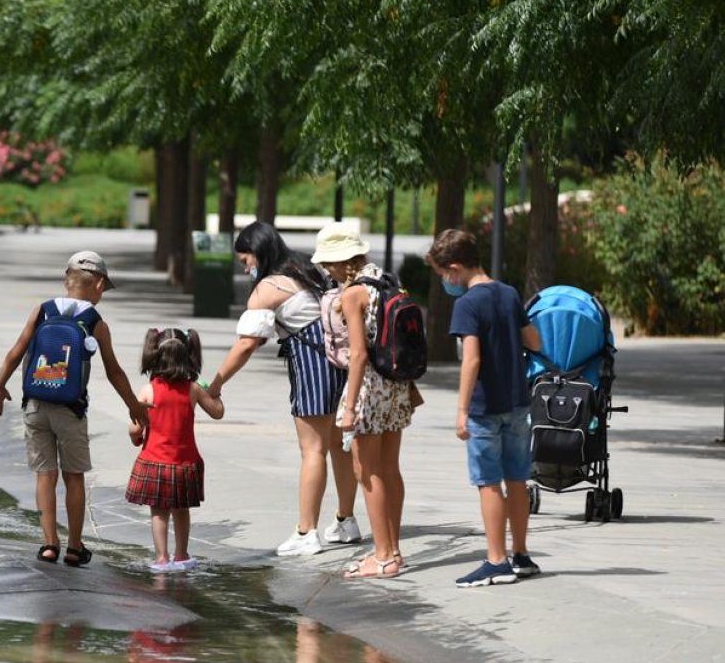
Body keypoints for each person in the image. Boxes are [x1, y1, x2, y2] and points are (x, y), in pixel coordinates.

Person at [206, 223, 361, 557]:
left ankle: (306, 532)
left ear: (259, 253)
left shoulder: (269, 286)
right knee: (339, 446)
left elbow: (247, 344)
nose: (244, 266)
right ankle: (346, 522)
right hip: (342, 364)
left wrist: (215, 384)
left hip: (312, 367)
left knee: (313, 450)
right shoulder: (308, 268)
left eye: (245, 259)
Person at [0, 251, 149, 566]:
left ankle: (49, 544)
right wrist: (135, 407)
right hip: (71, 410)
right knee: (73, 476)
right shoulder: (95, 322)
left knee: (44, 476)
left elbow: (16, 350)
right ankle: (75, 547)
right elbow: (114, 371)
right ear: (100, 284)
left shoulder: (43, 310)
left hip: (35, 404)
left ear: (66, 280)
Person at [425, 228, 543, 587]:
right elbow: (534, 340)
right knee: (517, 479)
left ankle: (496, 561)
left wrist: (461, 411)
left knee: (489, 482)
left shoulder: (467, 304)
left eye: (445, 275)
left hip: (484, 406)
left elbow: (471, 360)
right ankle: (521, 555)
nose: (446, 282)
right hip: (517, 402)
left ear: (456, 267)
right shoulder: (508, 293)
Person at [312, 226, 412, 578]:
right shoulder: (387, 280)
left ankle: (382, 557)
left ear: (341, 262)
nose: (327, 271)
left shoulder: (354, 293)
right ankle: (394, 549)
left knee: (367, 472)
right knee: (389, 469)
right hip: (396, 387)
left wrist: (350, 405)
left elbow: (357, 354)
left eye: (328, 264)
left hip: (369, 388)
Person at [126, 328, 224, 572]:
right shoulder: (193, 389)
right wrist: (216, 392)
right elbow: (218, 412)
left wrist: (137, 437)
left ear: (155, 356)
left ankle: (161, 558)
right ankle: (181, 555)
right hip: (185, 461)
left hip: (154, 460)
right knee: (181, 510)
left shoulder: (148, 390)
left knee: (159, 513)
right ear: (188, 355)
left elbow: (134, 429)